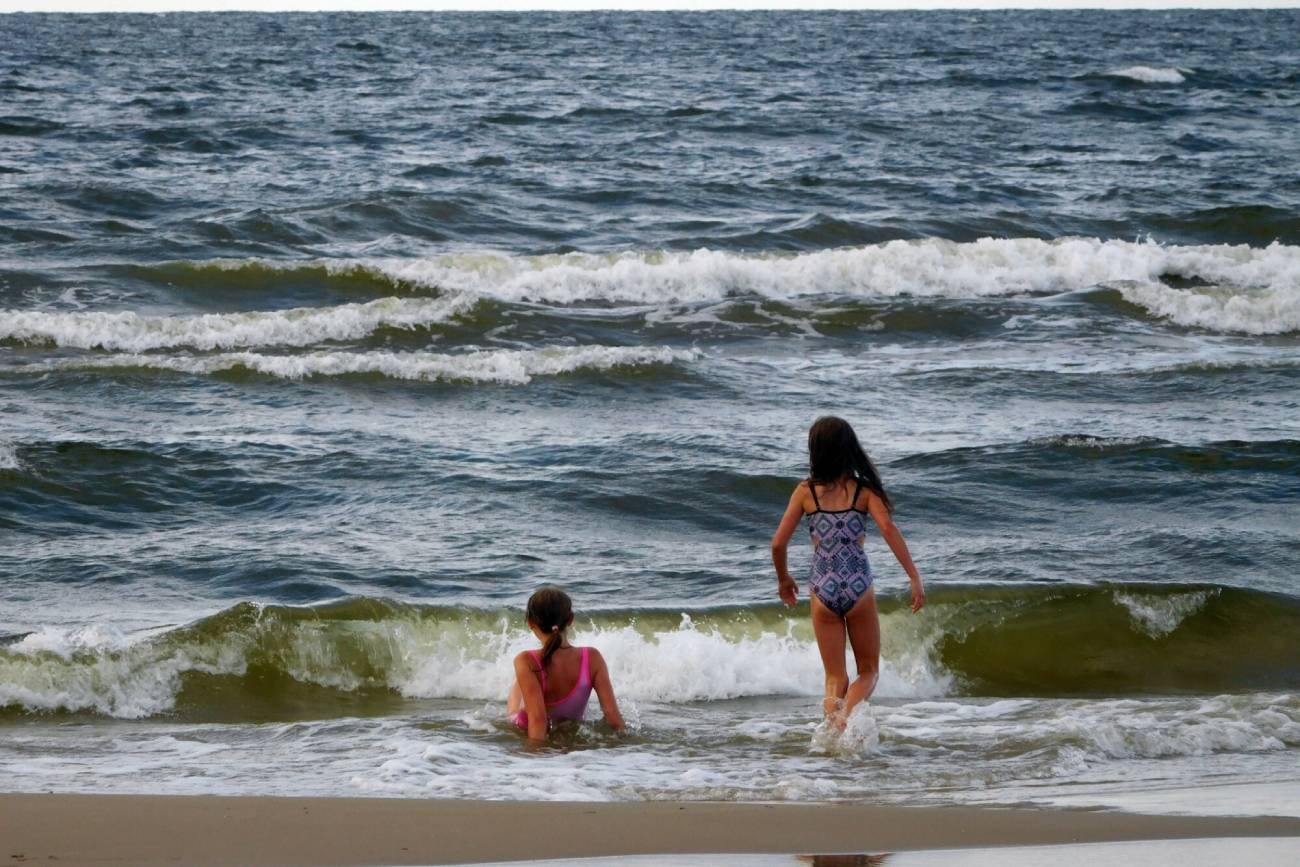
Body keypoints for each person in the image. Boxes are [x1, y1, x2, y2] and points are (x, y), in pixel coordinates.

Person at [770, 416, 926, 726]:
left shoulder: (806, 492)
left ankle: (832, 731)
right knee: (868, 671)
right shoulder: (864, 492)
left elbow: (778, 544)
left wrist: (784, 579)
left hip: (822, 585)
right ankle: (846, 716)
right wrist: (913, 575)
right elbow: (888, 529)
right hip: (857, 584)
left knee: (833, 677)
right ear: (850, 448)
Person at [507, 586, 624, 741]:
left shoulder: (526, 660)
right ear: (570, 619)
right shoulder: (592, 657)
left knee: (519, 683)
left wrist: (534, 755)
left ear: (530, 623)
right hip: (568, 728)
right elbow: (613, 717)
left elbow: (538, 720)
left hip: (525, 726)